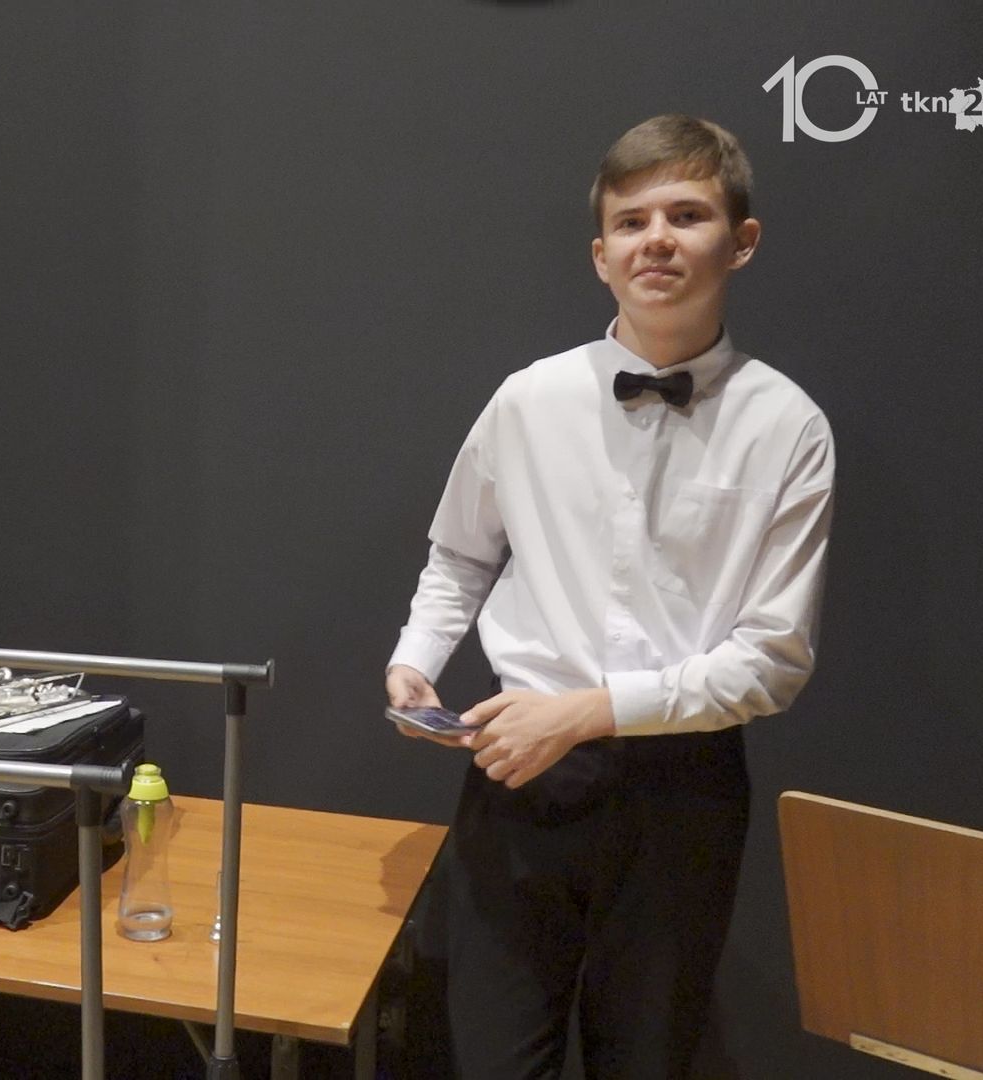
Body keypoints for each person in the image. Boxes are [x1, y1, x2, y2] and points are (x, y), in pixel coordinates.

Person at [385, 114, 835, 1080]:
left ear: (742, 241)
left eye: (687, 215)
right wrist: (416, 658)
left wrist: (586, 714)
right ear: (601, 256)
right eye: (631, 222)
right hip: (517, 771)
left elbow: (772, 662)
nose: (656, 240)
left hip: (683, 790)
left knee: (648, 1063)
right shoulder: (528, 399)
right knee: (491, 1060)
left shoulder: (789, 427)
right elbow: (460, 554)